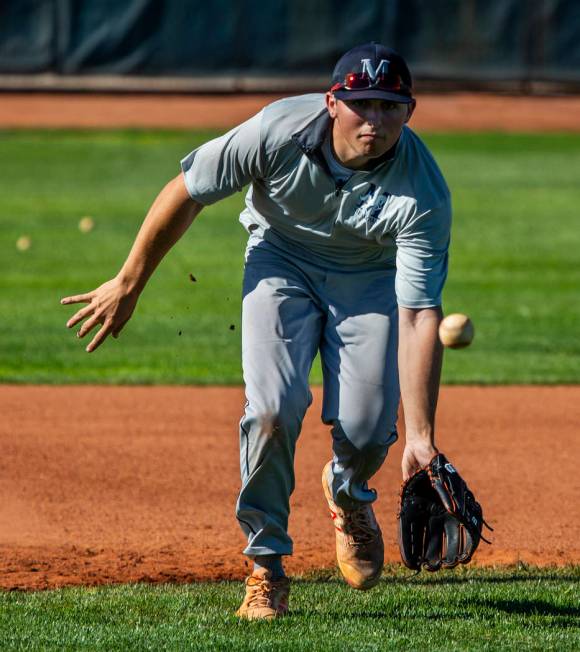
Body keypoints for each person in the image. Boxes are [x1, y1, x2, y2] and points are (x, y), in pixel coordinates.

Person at [61, 42, 451, 620]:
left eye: (390, 106)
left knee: (370, 432)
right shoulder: (276, 129)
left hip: (366, 280)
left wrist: (419, 434)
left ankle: (348, 495)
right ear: (332, 102)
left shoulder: (424, 191)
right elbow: (187, 191)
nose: (375, 119)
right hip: (280, 263)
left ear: (410, 111)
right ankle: (266, 566)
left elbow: (419, 314)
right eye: (361, 103)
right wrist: (129, 282)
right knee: (272, 408)